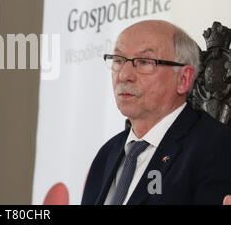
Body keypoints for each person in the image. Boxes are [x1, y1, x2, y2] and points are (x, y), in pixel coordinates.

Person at [81, 20, 231, 205]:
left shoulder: (217, 148)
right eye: (118, 61)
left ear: (183, 79)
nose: (124, 75)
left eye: (144, 62)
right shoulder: (107, 153)